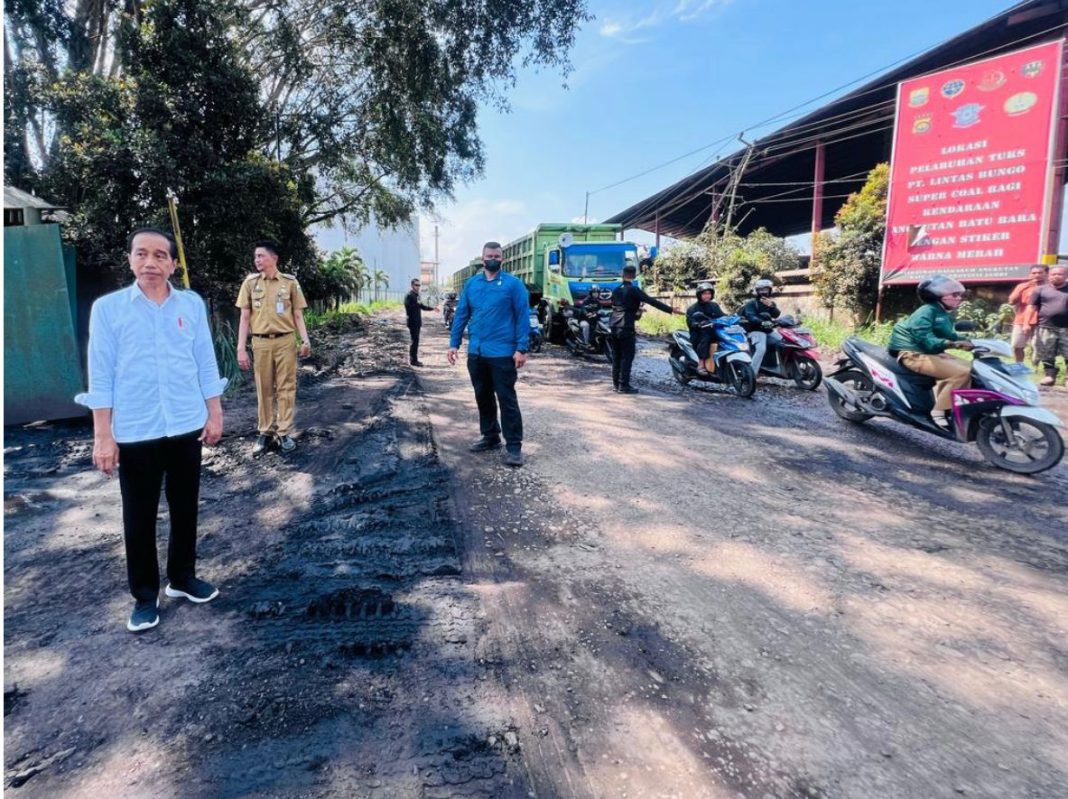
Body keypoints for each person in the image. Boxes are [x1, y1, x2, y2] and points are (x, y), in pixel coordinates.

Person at [75, 228, 227, 633]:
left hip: (185, 424)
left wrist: (214, 413)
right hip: (136, 429)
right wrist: (103, 435)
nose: (151, 263)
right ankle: (144, 597)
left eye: (161, 256)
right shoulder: (109, 310)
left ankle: (182, 578)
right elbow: (101, 375)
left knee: (185, 506)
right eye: (142, 254)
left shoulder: (190, 305)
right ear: (129, 261)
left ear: (173, 264)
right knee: (138, 516)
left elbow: (204, 362)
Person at [447, 241, 530, 466]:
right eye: (489, 255)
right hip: (477, 352)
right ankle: (490, 435)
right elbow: (461, 315)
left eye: (497, 256)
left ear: (502, 259)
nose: (493, 259)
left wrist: (521, 348)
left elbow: (523, 317)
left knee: (506, 399)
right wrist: (453, 344)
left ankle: (514, 447)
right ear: (482, 258)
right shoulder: (472, 285)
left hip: (503, 353)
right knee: (482, 396)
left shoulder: (513, 285)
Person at [235, 240, 311, 455]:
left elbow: (298, 314)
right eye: (255, 256)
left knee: (286, 387)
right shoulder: (250, 284)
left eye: (261, 256)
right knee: (264, 387)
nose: (257, 260)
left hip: (285, 340)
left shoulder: (289, 283)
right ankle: (266, 432)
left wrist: (305, 340)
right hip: (260, 342)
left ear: (274, 258)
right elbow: (244, 317)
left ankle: (284, 431)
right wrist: (241, 348)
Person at [887, 275, 974, 422]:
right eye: (954, 295)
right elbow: (924, 337)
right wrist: (949, 344)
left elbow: (951, 335)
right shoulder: (926, 311)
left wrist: (974, 342)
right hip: (912, 354)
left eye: (959, 295)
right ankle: (938, 412)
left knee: (974, 369)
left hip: (929, 352)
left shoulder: (942, 313)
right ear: (938, 296)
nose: (959, 298)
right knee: (962, 373)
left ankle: (953, 405)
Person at [609, 264, 676, 393]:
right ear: (634, 276)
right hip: (626, 326)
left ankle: (616, 385)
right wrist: (671, 309)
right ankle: (624, 386)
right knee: (627, 356)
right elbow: (652, 301)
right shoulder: (634, 290)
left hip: (614, 324)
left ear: (622, 275)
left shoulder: (616, 290)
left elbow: (616, 306)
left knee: (616, 356)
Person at [1030, 264, 1068, 387]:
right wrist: (1027, 324)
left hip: (1066, 328)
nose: (1056, 276)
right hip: (1046, 326)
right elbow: (1032, 308)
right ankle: (1049, 376)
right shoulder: (1040, 290)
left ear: (1066, 276)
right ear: (1049, 276)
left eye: (1060, 274)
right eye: (1053, 274)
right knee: (1046, 353)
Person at [738, 278, 781, 378]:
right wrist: (762, 322)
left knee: (783, 342)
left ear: (770, 290)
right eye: (761, 290)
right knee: (761, 349)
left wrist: (771, 306)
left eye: (766, 289)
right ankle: (751, 375)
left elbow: (776, 314)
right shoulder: (751, 303)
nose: (763, 292)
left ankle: (782, 369)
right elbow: (751, 317)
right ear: (757, 291)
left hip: (768, 331)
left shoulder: (770, 303)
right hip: (755, 330)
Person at [1008, 265, 1048, 363]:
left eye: (1040, 273)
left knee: (1038, 347)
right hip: (1021, 320)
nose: (1037, 275)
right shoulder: (1022, 286)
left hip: (1042, 321)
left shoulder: (1050, 287)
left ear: (1046, 274)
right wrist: (1025, 286)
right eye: (1034, 273)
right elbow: (1011, 301)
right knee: (1017, 345)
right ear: (1030, 274)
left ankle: (1036, 368)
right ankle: (1019, 365)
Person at [685, 282, 726, 377]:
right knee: (705, 337)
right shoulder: (693, 308)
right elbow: (690, 322)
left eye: (709, 293)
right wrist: (698, 324)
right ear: (699, 295)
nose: (707, 296)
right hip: (698, 334)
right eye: (704, 293)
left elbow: (722, 315)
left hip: (713, 331)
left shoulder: (714, 306)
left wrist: (733, 318)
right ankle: (701, 364)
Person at [404, 278, 436, 366]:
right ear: (412, 285)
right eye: (416, 285)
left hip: (417, 321)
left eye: (419, 285)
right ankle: (413, 360)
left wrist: (432, 308)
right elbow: (410, 307)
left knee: (416, 340)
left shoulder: (416, 295)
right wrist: (418, 304)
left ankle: (414, 359)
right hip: (412, 322)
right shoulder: (409, 295)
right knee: (414, 341)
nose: (418, 287)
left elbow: (422, 306)